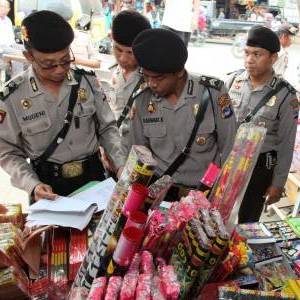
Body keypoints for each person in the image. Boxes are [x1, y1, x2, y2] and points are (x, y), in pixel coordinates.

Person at [0, 10, 126, 201]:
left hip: (94, 180)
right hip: (47, 186)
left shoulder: (87, 82)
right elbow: (7, 152)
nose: (59, 69)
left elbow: (107, 128)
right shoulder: (12, 97)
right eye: (48, 64)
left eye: (65, 60)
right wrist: (31, 184)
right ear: (29, 56)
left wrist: (120, 163)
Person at [129, 28, 236, 197]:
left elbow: (229, 146)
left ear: (179, 71)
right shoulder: (142, 99)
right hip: (159, 194)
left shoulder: (212, 92)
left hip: (203, 193)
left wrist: (223, 191)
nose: (151, 84)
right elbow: (138, 152)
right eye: (146, 76)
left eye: (158, 78)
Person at [226, 25, 299, 223]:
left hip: (259, 167)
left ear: (273, 58)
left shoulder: (286, 96)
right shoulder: (233, 81)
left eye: (257, 54)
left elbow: (286, 144)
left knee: (247, 219)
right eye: (247, 53)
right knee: (217, 211)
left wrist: (278, 183)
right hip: (228, 159)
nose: (250, 59)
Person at [106, 10, 150, 146]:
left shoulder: (152, 79)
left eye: (130, 52)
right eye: (118, 50)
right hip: (113, 150)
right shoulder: (112, 71)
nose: (123, 58)